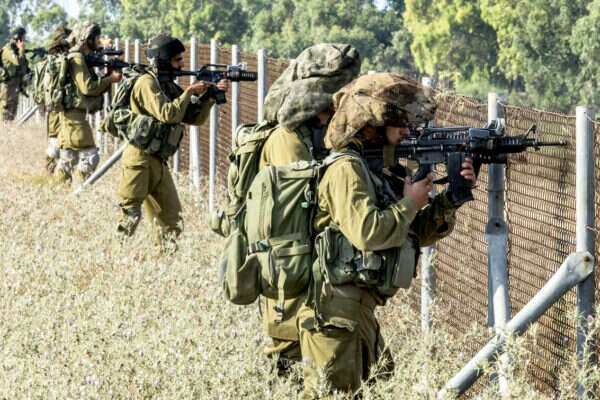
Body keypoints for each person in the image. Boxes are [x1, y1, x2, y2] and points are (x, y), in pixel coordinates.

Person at [296, 73, 477, 398]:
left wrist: (452, 197)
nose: (406, 131)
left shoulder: (374, 171)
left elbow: (405, 233)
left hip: (358, 312)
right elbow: (368, 233)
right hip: (335, 313)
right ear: (371, 123)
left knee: (380, 385)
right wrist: (410, 203)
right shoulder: (345, 169)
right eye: (398, 122)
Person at [258, 43, 360, 377]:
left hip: (312, 266)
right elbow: (305, 207)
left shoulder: (314, 134)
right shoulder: (287, 139)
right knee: (286, 359)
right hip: (289, 268)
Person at [116, 34, 228, 250]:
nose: (182, 64)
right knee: (130, 216)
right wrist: (189, 92)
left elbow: (194, 117)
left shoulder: (165, 85)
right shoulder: (146, 83)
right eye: (177, 60)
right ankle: (115, 256)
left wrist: (210, 97)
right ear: (163, 61)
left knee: (172, 220)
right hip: (139, 159)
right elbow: (168, 113)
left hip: (158, 161)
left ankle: (164, 259)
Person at [54, 21, 121, 184]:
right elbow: (87, 87)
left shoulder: (79, 57)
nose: (99, 41)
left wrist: (107, 77)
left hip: (71, 116)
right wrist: (110, 79)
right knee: (91, 157)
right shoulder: (77, 58)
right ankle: (80, 190)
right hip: (74, 117)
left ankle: (59, 190)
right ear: (87, 38)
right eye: (96, 37)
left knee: (68, 159)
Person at [44, 26, 72, 174]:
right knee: (55, 146)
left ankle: (53, 174)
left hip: (59, 107)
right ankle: (50, 172)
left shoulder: (55, 58)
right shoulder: (59, 60)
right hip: (57, 108)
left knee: (58, 144)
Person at [0, 27, 29, 121]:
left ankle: (9, 129)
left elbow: (23, 68)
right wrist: (21, 50)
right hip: (8, 87)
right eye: (23, 37)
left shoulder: (17, 50)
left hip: (16, 86)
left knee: (13, 113)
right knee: (6, 112)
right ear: (18, 37)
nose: (24, 39)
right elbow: (17, 61)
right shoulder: (7, 50)